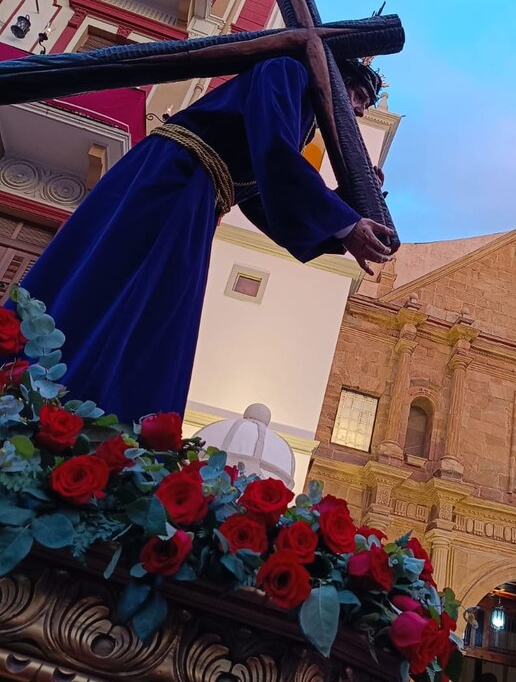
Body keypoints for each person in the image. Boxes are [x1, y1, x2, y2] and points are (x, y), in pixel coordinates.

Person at [17, 56, 391, 421]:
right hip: (175, 180)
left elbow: (262, 198)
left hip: (199, 196)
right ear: (333, 77)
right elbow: (274, 154)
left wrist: (344, 214)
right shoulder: (286, 71)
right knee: (127, 288)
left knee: (154, 308)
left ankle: (97, 410)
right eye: (357, 95)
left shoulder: (303, 114)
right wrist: (346, 223)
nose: (358, 111)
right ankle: (58, 394)